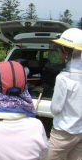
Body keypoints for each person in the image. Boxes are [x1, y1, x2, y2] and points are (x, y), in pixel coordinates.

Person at [47, 28, 82, 160]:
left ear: (66, 51)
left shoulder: (64, 77)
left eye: (59, 49)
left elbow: (56, 108)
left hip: (63, 132)